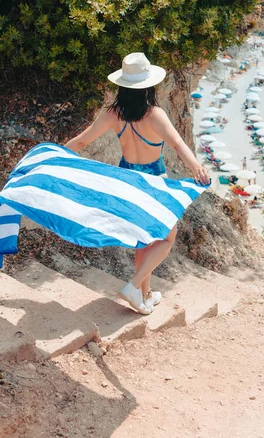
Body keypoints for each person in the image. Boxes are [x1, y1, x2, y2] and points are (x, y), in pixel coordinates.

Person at [64, 52, 210, 315]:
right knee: (166, 239)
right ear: (148, 85)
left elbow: (82, 141)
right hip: (152, 181)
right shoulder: (154, 115)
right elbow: (178, 145)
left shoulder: (112, 114)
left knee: (144, 241)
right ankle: (133, 286)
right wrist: (197, 167)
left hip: (126, 181)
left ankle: (146, 296)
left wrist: (55, 156)